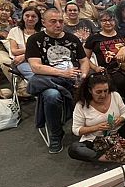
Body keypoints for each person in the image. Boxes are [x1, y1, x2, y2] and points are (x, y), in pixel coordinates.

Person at [25, 8, 91, 154]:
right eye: (53, 21)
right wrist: (63, 74)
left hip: (74, 77)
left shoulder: (72, 39)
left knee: (93, 84)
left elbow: (84, 60)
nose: (58, 24)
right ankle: (56, 134)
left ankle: (89, 127)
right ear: (43, 23)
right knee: (51, 95)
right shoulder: (35, 40)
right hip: (49, 78)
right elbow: (36, 67)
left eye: (61, 21)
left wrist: (84, 76)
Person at [70, 72, 125, 162]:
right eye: (98, 92)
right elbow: (76, 130)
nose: (103, 95)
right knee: (74, 149)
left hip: (117, 133)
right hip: (95, 140)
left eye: (105, 91)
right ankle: (112, 158)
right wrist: (96, 127)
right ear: (90, 90)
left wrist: (120, 119)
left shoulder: (115, 95)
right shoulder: (81, 105)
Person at [84, 9, 125, 110]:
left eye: (111, 20)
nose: (108, 23)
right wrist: (95, 68)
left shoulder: (122, 33)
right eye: (104, 20)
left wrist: (123, 48)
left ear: (115, 21)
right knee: (120, 81)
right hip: (109, 70)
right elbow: (84, 58)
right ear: (100, 22)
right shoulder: (94, 38)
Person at [7, 5, 41, 80]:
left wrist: (25, 55)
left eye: (33, 16)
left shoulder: (43, 31)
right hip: (21, 62)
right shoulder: (15, 31)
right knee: (34, 77)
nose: (30, 18)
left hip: (39, 60)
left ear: (38, 19)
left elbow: (44, 51)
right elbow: (14, 51)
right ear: (22, 16)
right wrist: (33, 50)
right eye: (27, 16)